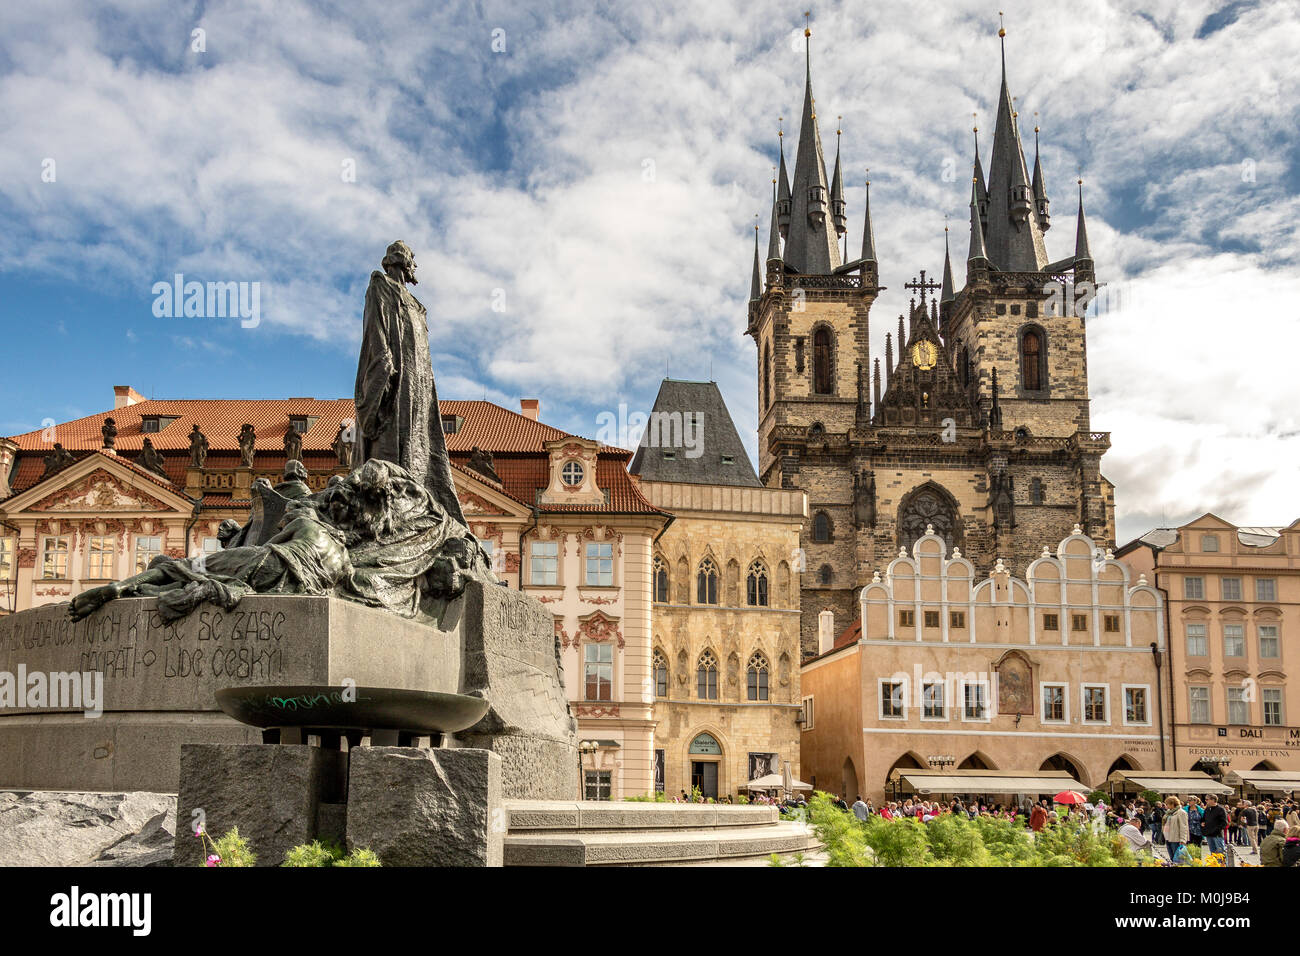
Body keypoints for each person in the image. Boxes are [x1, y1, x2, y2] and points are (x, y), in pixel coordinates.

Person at [1162, 796, 1189, 863]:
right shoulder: (1168, 812)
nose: (1166, 805)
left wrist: (1183, 839)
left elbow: (1184, 827)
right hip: (1168, 837)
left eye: (1167, 804)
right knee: (1171, 858)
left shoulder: (1181, 812)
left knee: (1178, 859)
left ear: (1172, 804)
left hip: (1176, 838)